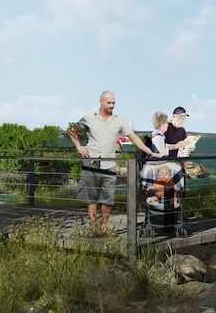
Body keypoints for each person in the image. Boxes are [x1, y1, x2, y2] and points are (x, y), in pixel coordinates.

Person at [68, 91, 159, 233]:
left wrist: (150, 152)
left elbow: (134, 137)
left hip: (109, 163)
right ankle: (93, 227)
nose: (111, 105)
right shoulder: (89, 118)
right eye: (109, 102)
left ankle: (103, 227)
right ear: (101, 102)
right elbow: (72, 131)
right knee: (91, 197)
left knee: (108, 198)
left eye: (113, 103)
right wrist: (79, 147)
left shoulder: (119, 120)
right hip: (91, 162)